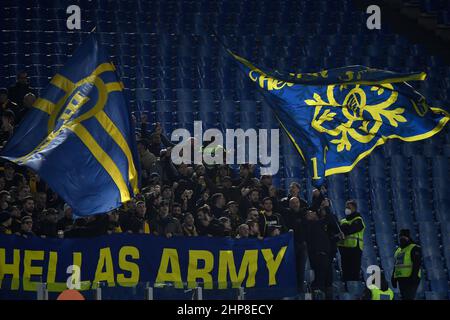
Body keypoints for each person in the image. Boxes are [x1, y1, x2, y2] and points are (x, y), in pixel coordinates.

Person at [304, 210, 335, 300]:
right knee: (320, 280)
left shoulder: (318, 225)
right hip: (318, 256)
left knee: (328, 281)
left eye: (313, 212)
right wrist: (326, 207)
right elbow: (329, 218)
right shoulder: (311, 224)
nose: (313, 213)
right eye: (310, 213)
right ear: (307, 217)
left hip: (325, 255)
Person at [338, 200, 365, 283]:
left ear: (354, 208)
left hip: (355, 249)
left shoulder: (358, 220)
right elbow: (339, 230)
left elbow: (350, 230)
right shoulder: (343, 221)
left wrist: (345, 227)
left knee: (354, 272)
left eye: (349, 207)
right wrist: (345, 227)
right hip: (344, 249)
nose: (347, 209)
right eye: (346, 207)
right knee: (345, 272)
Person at [391, 229, 422, 300]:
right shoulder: (398, 250)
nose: (402, 239)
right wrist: (393, 277)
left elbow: (417, 264)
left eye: (404, 237)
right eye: (401, 237)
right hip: (401, 279)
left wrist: (413, 277)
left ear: (408, 237)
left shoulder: (414, 248)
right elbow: (396, 265)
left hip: (411, 278)